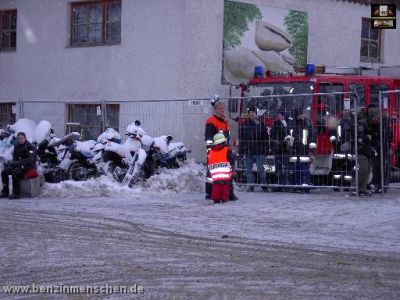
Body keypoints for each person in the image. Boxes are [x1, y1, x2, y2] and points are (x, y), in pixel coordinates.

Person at [205, 96, 238, 200]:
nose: (222, 111)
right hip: (215, 152)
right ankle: (210, 193)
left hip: (224, 151)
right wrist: (210, 152)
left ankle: (228, 193)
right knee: (212, 174)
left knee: (227, 173)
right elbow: (209, 139)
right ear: (215, 110)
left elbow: (226, 136)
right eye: (220, 109)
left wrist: (230, 147)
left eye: (223, 109)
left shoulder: (225, 121)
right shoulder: (211, 121)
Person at [1, 132, 37, 199]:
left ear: (25, 138)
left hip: (28, 167)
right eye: (18, 138)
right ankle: (5, 192)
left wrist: (18, 163)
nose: (20, 140)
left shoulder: (31, 147)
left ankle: (16, 193)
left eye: (21, 138)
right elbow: (14, 157)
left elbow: (30, 160)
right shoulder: (16, 146)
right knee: (4, 172)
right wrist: (13, 163)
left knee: (15, 172)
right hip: (18, 165)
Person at [239, 107, 267, 192]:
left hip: (259, 149)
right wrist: (241, 150)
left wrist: (266, 149)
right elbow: (242, 138)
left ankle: (264, 185)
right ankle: (251, 185)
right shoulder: (245, 124)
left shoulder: (260, 124)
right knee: (248, 169)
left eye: (253, 112)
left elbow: (265, 137)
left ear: (256, 114)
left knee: (260, 168)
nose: (251, 114)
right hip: (248, 149)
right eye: (250, 112)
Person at [366, 105, 393, 193]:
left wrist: (389, 147)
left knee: (383, 167)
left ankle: (383, 184)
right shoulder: (374, 125)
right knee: (376, 167)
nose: (375, 119)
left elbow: (389, 136)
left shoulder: (383, 124)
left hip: (382, 148)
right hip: (376, 148)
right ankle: (378, 184)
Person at [288, 108, 314, 192]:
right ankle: (297, 186)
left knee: (304, 170)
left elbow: (312, 138)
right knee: (296, 170)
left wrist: (311, 151)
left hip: (305, 150)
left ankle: (305, 187)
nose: (302, 115)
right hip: (295, 151)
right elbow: (289, 137)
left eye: (302, 113)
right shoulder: (293, 125)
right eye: (300, 114)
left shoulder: (307, 124)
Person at [207, 133, 234, 203]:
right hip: (225, 175)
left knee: (216, 188)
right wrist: (232, 171)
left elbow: (209, 163)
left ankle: (216, 199)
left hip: (215, 176)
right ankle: (224, 198)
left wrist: (210, 174)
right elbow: (231, 160)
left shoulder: (211, 152)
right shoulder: (226, 150)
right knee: (225, 188)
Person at [271, 108, 291, 189]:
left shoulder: (287, 124)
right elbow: (274, 136)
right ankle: (279, 184)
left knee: (285, 167)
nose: (278, 116)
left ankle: (284, 184)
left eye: (280, 115)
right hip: (278, 149)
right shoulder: (276, 124)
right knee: (278, 167)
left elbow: (289, 135)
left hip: (285, 149)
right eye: (278, 115)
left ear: (283, 115)